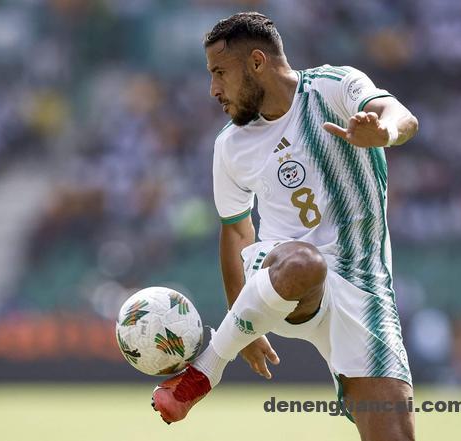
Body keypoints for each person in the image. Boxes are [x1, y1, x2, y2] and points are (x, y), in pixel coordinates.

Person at [151, 12, 419, 441]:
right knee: (305, 262)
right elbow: (237, 232)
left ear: (257, 62)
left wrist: (383, 132)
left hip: (364, 289)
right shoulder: (230, 146)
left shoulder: (334, 86)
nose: (213, 89)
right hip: (283, 275)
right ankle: (205, 370)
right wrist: (242, 324)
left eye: (220, 72)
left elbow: (400, 115)